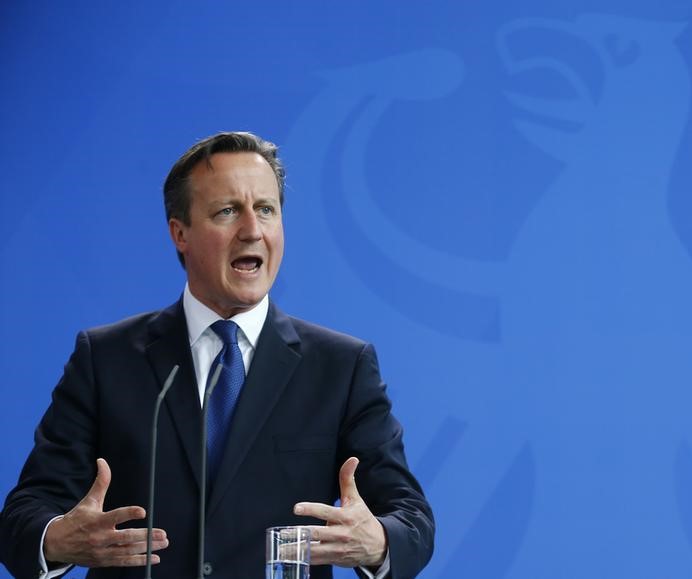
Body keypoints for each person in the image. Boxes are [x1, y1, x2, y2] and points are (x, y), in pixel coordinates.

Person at [0, 132, 434, 579]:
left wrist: (376, 541)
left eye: (266, 209)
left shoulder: (341, 367)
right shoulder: (106, 359)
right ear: (180, 232)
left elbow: (412, 520)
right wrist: (57, 538)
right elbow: (23, 517)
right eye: (228, 211)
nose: (253, 230)